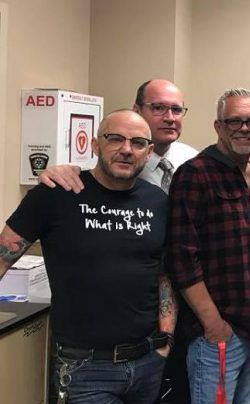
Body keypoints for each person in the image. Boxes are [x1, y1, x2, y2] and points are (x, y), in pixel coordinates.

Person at [0, 110, 176, 403]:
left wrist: (165, 338)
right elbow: (3, 256)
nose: (126, 149)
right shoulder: (56, 194)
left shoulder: (158, 201)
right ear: (95, 145)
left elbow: (163, 272)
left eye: (137, 143)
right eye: (115, 138)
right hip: (84, 367)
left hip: (147, 362)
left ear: (148, 153)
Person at [164, 88, 250, 404]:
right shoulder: (195, 174)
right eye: (234, 121)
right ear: (218, 127)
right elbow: (181, 257)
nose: (244, 128)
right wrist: (212, 323)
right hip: (218, 334)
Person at [38, 79, 198, 194]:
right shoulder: (104, 161)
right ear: (137, 111)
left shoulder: (193, 160)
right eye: (158, 107)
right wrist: (55, 176)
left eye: (176, 110)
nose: (170, 118)